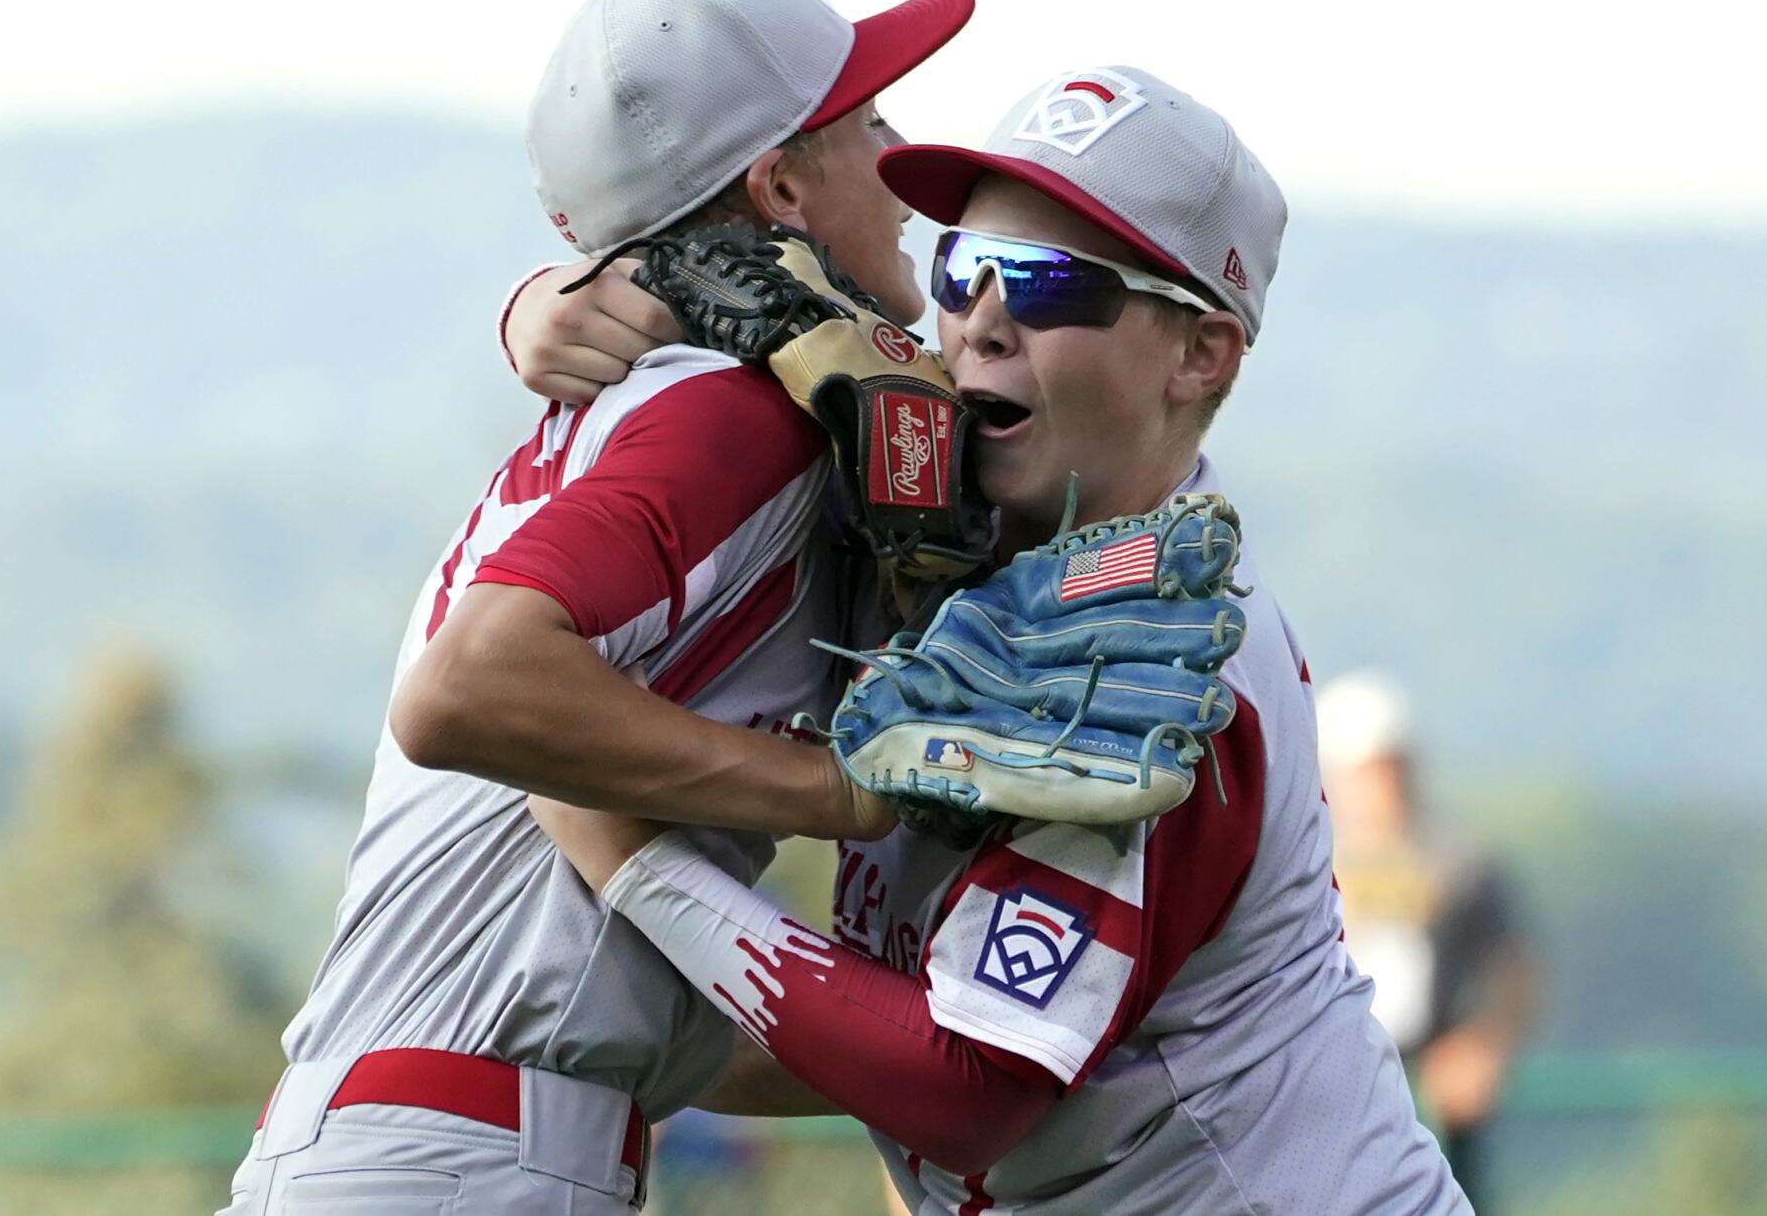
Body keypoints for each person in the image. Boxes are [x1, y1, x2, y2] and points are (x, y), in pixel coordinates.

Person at [530, 66, 1471, 1214]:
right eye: (960, 267)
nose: (980, 316)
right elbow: (874, 1025)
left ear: (1200, 353)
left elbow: (969, 1086)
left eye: (1047, 281)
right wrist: (547, 307)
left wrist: (634, 858)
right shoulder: (960, 567)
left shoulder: (1168, 668)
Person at [219, 0, 972, 1216]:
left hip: (429, 1136)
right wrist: (840, 795)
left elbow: (641, 1006)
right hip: (456, 1156)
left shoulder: (667, 407)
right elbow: (469, 688)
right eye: (871, 123)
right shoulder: (736, 411)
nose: (902, 168)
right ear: (780, 184)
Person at [1319, 670, 1541, 1210]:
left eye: (1393, 769)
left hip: (1432, 1093)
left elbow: (1513, 965)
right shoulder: (1298, 859)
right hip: (1323, 1077)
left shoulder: (1455, 858)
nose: (1385, 787)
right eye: (1369, 772)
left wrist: (1484, 1044)